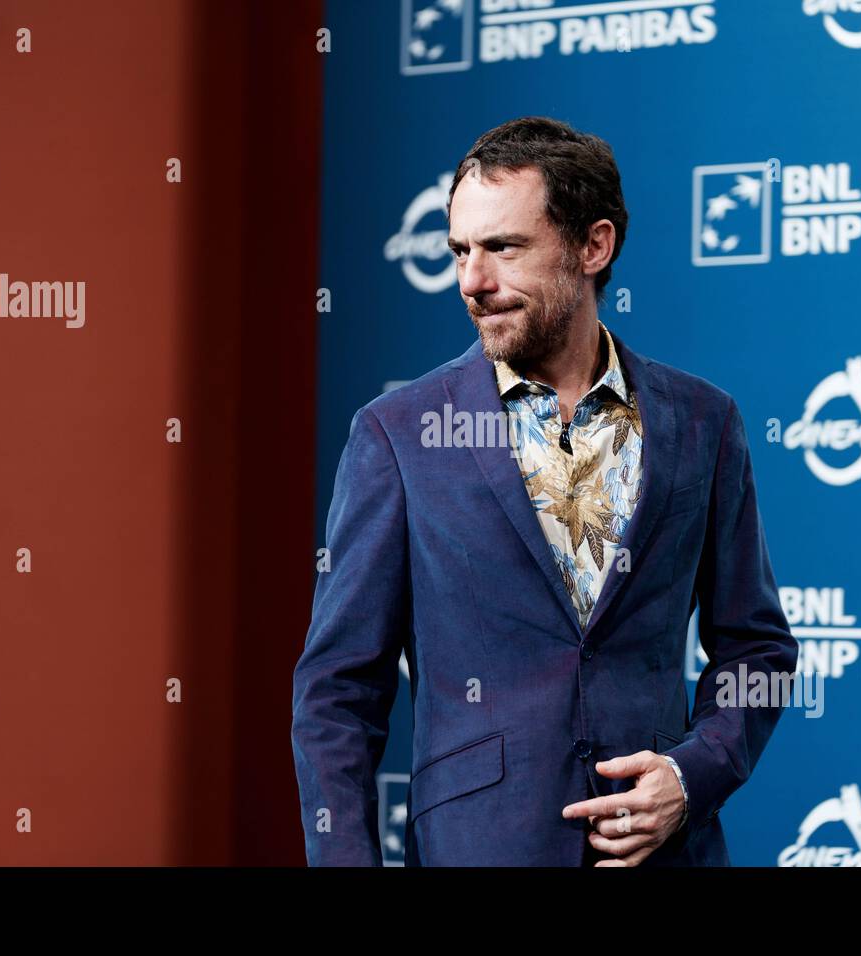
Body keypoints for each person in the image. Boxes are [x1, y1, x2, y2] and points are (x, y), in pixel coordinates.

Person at [292, 116, 798, 866]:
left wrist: (692, 777)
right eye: (461, 250)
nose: (472, 281)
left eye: (503, 247)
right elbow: (337, 694)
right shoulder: (398, 435)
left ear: (593, 246)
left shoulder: (704, 423)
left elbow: (756, 648)